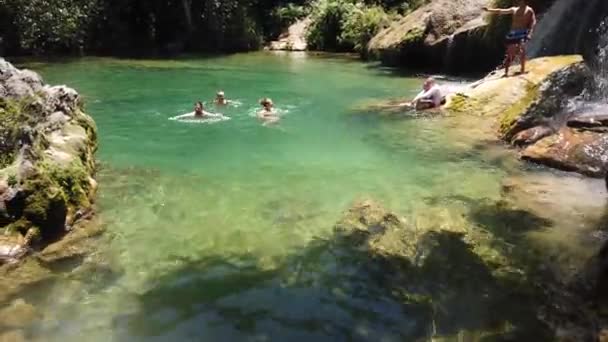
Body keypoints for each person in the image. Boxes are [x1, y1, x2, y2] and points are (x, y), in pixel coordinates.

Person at [483, 0, 537, 77]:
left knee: (522, 52)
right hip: (513, 34)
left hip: (522, 33)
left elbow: (533, 21)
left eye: (521, 1)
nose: (520, 2)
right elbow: (501, 11)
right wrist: (489, 10)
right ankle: (506, 72)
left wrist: (530, 32)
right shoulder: (514, 9)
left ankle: (522, 70)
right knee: (510, 53)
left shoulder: (529, 10)